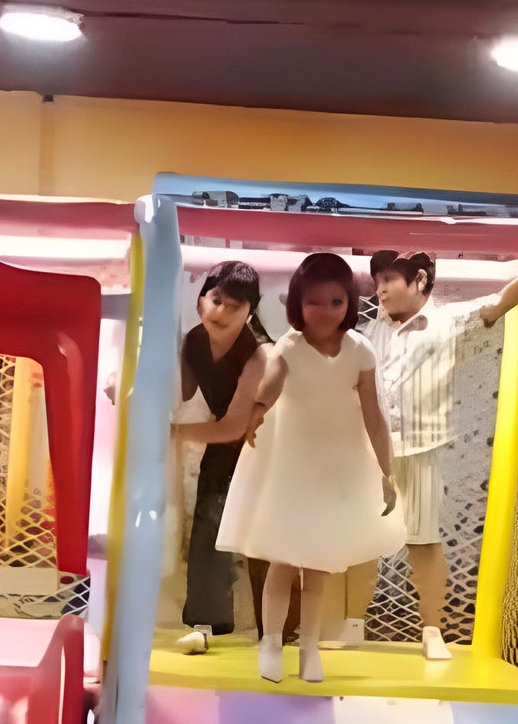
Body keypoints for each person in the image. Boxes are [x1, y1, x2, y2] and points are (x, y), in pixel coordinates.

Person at [341, 249, 518, 661]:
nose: (381, 288)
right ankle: (353, 625)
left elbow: (498, 304)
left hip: (423, 450)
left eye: (389, 278)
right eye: (378, 280)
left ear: (420, 279)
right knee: (361, 541)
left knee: (424, 542)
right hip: (369, 454)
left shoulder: (448, 320)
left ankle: (432, 631)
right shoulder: (367, 333)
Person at [216, 252, 400, 687]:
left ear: (349, 304)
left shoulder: (360, 349)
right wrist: (255, 413)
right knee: (284, 559)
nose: (325, 312)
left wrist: (385, 471)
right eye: (314, 302)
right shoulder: (290, 347)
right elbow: (272, 383)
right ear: (298, 302)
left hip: (335, 467)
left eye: (336, 302)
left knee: (318, 567)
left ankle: (311, 646)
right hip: (290, 465)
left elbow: (374, 414)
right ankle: (272, 641)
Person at [170, 262, 271, 653]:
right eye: (215, 300)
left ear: (251, 310)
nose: (221, 312)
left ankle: (278, 632)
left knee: (265, 543)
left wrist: (177, 434)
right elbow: (178, 391)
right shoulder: (194, 340)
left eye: (234, 305)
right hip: (223, 450)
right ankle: (206, 625)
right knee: (208, 531)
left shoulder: (260, 354)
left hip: (265, 448)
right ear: (201, 300)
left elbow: (233, 426)